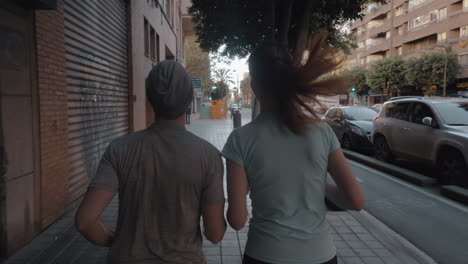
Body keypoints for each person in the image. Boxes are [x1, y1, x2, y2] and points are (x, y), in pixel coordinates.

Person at [222, 35, 366, 264]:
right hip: (320, 255)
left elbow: (237, 220)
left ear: (255, 87)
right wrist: (318, 185)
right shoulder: (322, 132)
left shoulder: (240, 139)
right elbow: (356, 201)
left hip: (264, 254)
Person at [75, 60, 226, 264]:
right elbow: (215, 234)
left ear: (150, 99)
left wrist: (116, 241)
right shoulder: (209, 156)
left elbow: (85, 222)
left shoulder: (120, 149)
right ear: (189, 99)